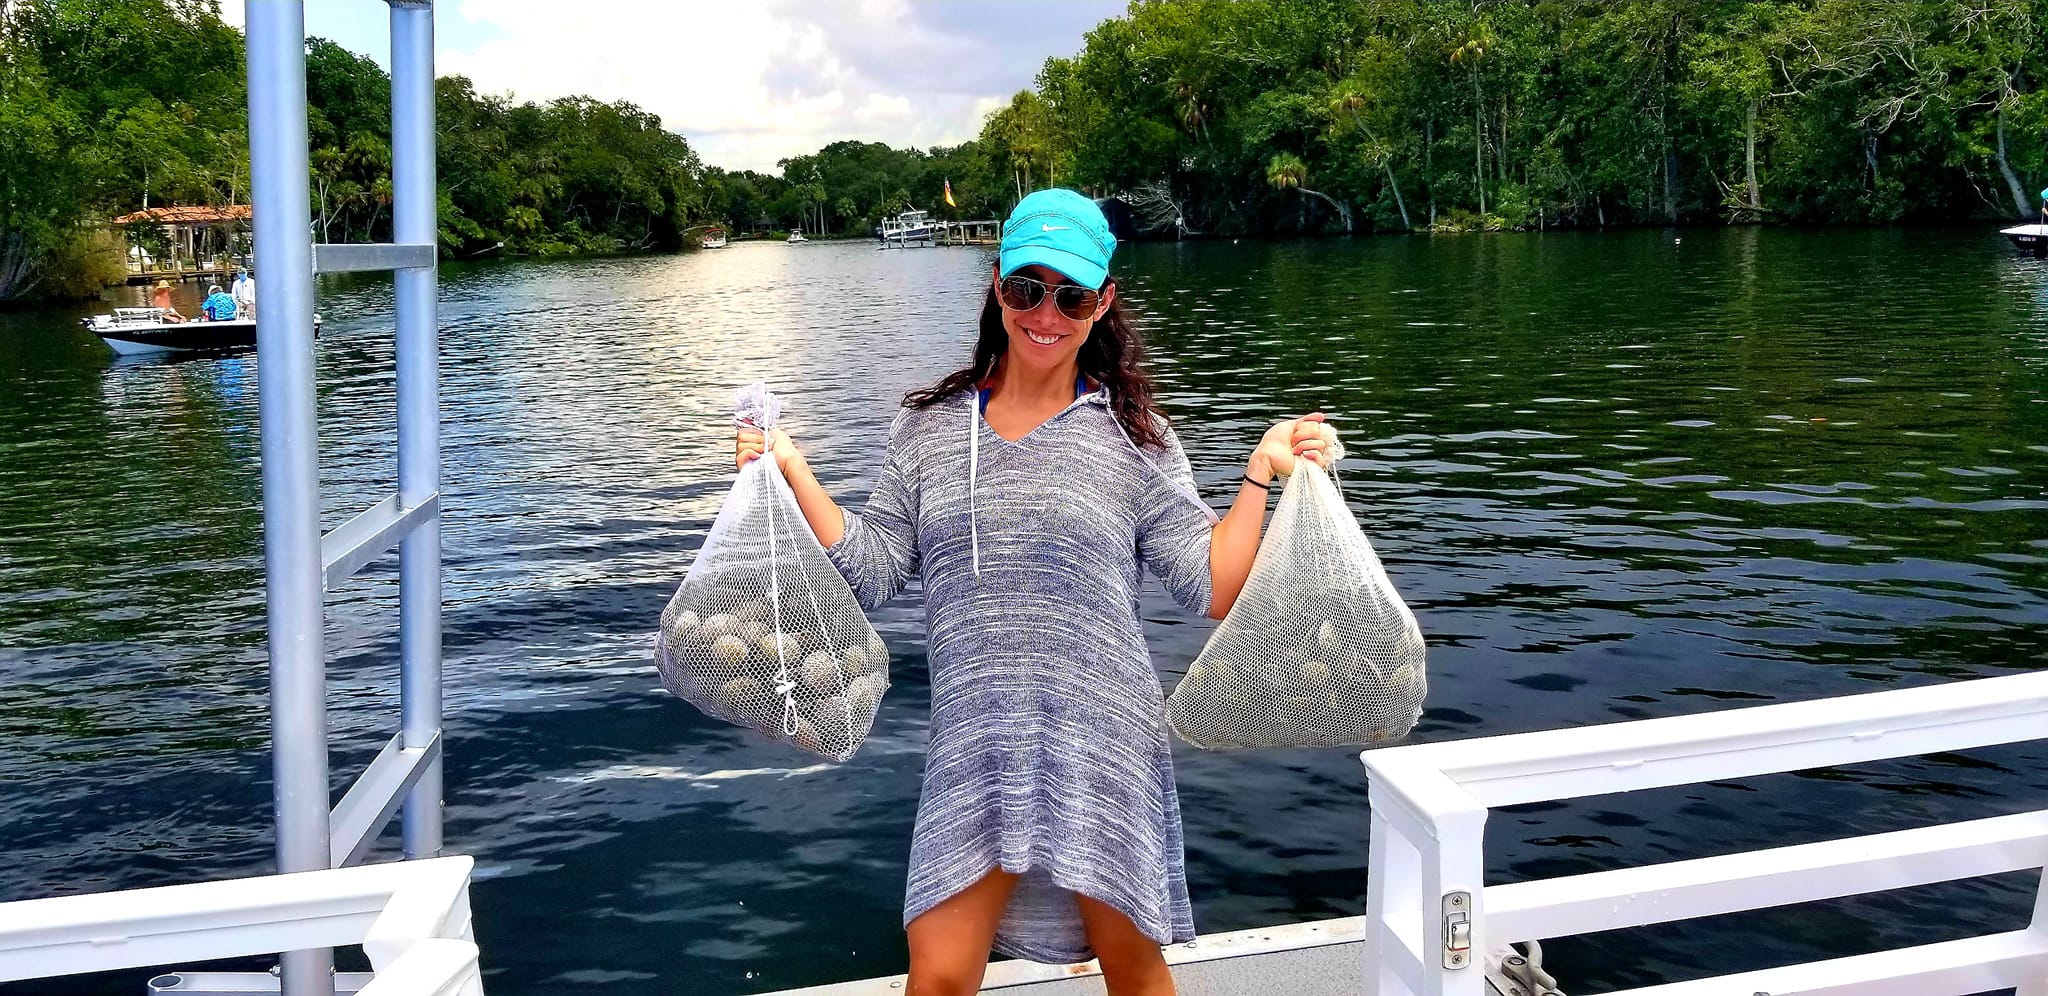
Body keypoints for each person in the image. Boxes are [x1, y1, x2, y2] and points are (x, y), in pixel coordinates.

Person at [734, 188, 1334, 996]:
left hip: (1104, 737)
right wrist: (789, 466)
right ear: (996, 286)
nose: (1044, 313)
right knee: (940, 972)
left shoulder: (1134, 439)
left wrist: (1262, 473)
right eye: (1026, 289)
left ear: (1102, 304)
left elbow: (1214, 588)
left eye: (1070, 295)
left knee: (1130, 965)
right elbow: (871, 568)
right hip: (974, 739)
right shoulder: (928, 429)